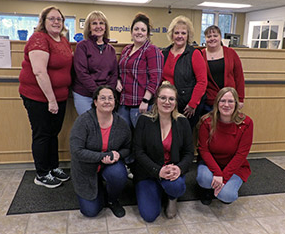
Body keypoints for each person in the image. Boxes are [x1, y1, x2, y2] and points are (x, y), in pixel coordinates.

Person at [19, 6, 73, 188]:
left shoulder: (63, 40)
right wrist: (51, 99)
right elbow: (40, 72)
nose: (56, 22)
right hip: (39, 97)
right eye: (52, 18)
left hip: (60, 96)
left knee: (53, 134)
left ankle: (53, 167)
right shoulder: (39, 39)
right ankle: (42, 174)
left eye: (59, 19)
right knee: (42, 134)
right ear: (43, 21)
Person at [132, 81, 194, 222]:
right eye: (163, 98)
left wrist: (179, 168)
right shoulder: (144, 120)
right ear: (156, 99)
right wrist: (157, 170)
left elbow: (189, 153)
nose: (167, 102)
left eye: (171, 99)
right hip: (149, 173)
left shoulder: (182, 122)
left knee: (176, 186)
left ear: (176, 102)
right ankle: (158, 190)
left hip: (172, 172)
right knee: (149, 216)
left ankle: (172, 198)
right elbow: (138, 151)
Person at [69, 86, 131, 218]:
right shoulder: (83, 121)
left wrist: (119, 155)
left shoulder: (121, 123)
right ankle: (98, 189)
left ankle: (112, 199)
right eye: (102, 98)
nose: (107, 101)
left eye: (110, 98)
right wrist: (103, 156)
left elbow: (128, 148)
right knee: (90, 212)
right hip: (85, 168)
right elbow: (76, 151)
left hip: (109, 165)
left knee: (119, 174)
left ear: (115, 102)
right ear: (95, 102)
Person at [196, 87, 253, 205]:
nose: (226, 105)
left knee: (227, 196)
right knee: (204, 179)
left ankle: (223, 186)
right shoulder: (206, 121)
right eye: (222, 101)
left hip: (234, 166)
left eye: (230, 101)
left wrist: (224, 177)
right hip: (211, 164)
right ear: (217, 103)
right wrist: (217, 173)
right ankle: (207, 189)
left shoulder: (246, 123)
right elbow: (203, 150)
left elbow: (241, 154)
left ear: (236, 104)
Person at [116, 13, 163, 128]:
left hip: (141, 103)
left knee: (141, 138)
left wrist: (146, 101)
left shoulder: (151, 50)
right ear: (131, 32)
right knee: (124, 136)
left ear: (147, 33)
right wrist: (117, 80)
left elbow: (155, 78)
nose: (139, 32)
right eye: (136, 29)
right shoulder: (127, 49)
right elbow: (120, 70)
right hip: (124, 102)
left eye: (143, 30)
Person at [162, 15, 207, 129]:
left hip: (187, 107)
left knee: (183, 138)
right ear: (172, 35)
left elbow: (202, 82)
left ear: (188, 36)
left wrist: (192, 104)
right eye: (176, 33)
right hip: (167, 104)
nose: (180, 36)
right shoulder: (164, 53)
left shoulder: (195, 54)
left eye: (183, 33)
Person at [72, 11, 118, 115]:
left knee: (104, 126)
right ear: (89, 27)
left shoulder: (111, 49)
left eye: (101, 23)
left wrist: (107, 93)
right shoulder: (82, 46)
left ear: (105, 27)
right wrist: (99, 92)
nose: (98, 26)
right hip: (84, 94)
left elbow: (114, 74)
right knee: (89, 125)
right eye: (94, 23)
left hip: (105, 96)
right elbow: (81, 73)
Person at [201, 25, 245, 112]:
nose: (212, 38)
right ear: (205, 38)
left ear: (220, 37)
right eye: (209, 36)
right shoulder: (200, 55)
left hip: (229, 100)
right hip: (209, 102)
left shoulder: (231, 53)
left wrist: (240, 99)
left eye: (215, 36)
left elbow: (239, 77)